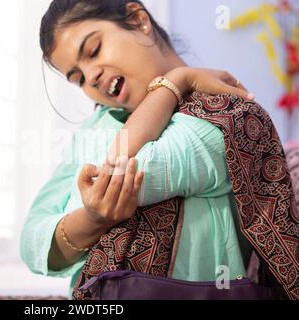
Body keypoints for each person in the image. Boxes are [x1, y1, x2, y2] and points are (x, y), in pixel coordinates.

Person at [20, 0, 293, 298]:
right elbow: (32, 241)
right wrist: (93, 217)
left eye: (94, 50)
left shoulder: (223, 116)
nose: (91, 78)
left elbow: (123, 170)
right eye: (78, 78)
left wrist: (175, 81)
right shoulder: (98, 125)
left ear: (138, 20)